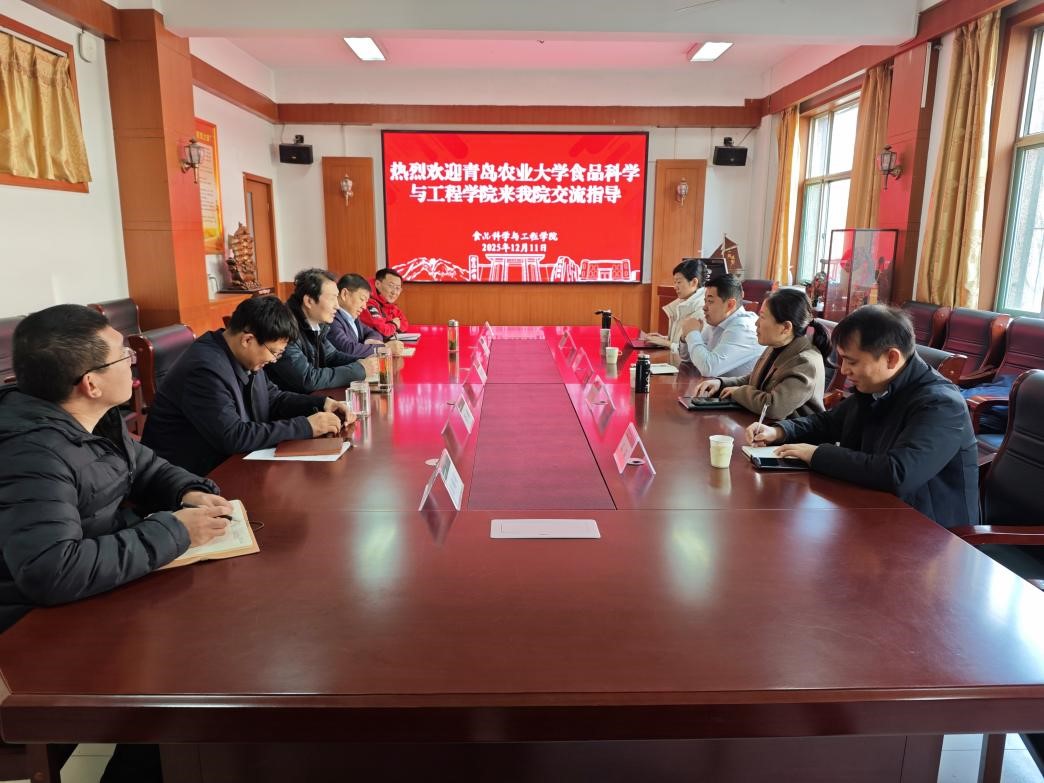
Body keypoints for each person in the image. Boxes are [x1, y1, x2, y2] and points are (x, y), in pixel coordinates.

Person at [0, 305, 232, 633]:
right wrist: (177, 532)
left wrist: (188, 491)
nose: (131, 361)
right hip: (40, 625)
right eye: (122, 355)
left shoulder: (96, 418)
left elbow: (144, 466)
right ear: (91, 384)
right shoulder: (33, 454)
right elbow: (52, 571)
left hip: (102, 581)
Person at [746, 304, 979, 528]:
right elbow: (829, 422)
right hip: (872, 511)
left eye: (852, 361)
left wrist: (816, 454)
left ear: (891, 358)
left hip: (930, 532)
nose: (843, 370)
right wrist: (780, 431)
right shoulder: (877, 385)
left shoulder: (941, 404)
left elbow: (897, 473)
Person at [142, 296, 356, 476]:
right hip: (190, 478)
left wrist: (322, 403)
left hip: (229, 465)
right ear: (247, 340)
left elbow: (273, 398)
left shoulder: (243, 356)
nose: (273, 360)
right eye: (274, 352)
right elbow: (232, 437)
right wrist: (305, 426)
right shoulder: (205, 370)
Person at [694, 288, 830, 420]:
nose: (756, 322)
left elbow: (774, 407)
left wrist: (738, 392)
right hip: (760, 425)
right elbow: (754, 380)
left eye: (763, 317)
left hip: (789, 433)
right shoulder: (776, 345)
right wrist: (721, 383)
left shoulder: (806, 362)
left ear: (786, 327)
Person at [266, 268, 378, 393]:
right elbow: (308, 379)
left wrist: (364, 362)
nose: (337, 305)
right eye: (332, 298)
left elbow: (332, 356)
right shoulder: (285, 327)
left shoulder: (317, 323)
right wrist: (359, 370)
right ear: (309, 301)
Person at [677, 274, 761, 377]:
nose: (704, 307)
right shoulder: (717, 322)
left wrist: (692, 333)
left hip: (738, 387)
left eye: (710, 301)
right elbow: (689, 357)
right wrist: (685, 337)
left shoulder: (743, 328)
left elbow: (709, 369)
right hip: (716, 385)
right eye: (705, 301)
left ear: (730, 305)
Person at [328, 273, 404, 359]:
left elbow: (374, 333)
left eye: (366, 302)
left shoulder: (353, 318)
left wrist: (369, 342)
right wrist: (384, 348)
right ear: (345, 294)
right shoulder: (331, 318)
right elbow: (348, 349)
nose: (364, 307)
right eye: (362, 299)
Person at [360, 267, 410, 338]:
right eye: (391, 286)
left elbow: (405, 324)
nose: (394, 292)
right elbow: (384, 331)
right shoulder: (367, 303)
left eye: (397, 288)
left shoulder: (389, 303)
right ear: (377, 284)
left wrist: (390, 325)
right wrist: (394, 324)